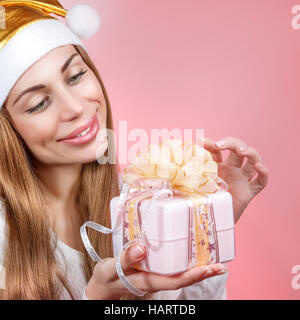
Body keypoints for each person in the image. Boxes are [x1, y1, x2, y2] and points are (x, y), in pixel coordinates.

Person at [0, 1, 269, 300]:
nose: (75, 108)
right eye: (39, 103)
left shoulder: (139, 201)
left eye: (76, 76)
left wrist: (206, 228)